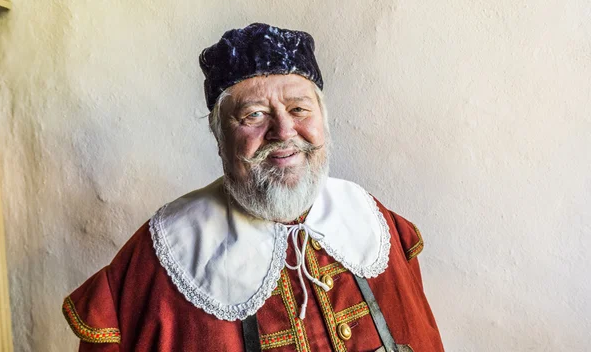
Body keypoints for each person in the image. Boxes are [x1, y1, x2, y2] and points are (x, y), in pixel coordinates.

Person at [62, 23, 444, 352]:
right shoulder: (158, 258)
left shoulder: (373, 223)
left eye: (299, 109)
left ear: (323, 122)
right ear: (220, 137)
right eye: (254, 115)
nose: (283, 132)